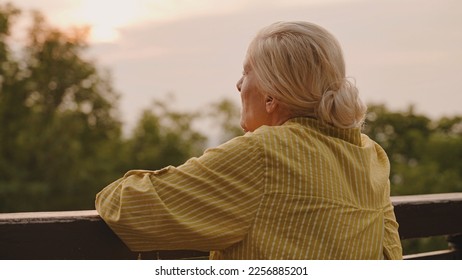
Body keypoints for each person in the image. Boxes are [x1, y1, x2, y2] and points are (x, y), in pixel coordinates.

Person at [95, 21, 402, 259]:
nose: (238, 84)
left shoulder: (265, 154)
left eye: (246, 72)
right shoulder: (370, 155)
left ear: (271, 96)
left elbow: (127, 209)